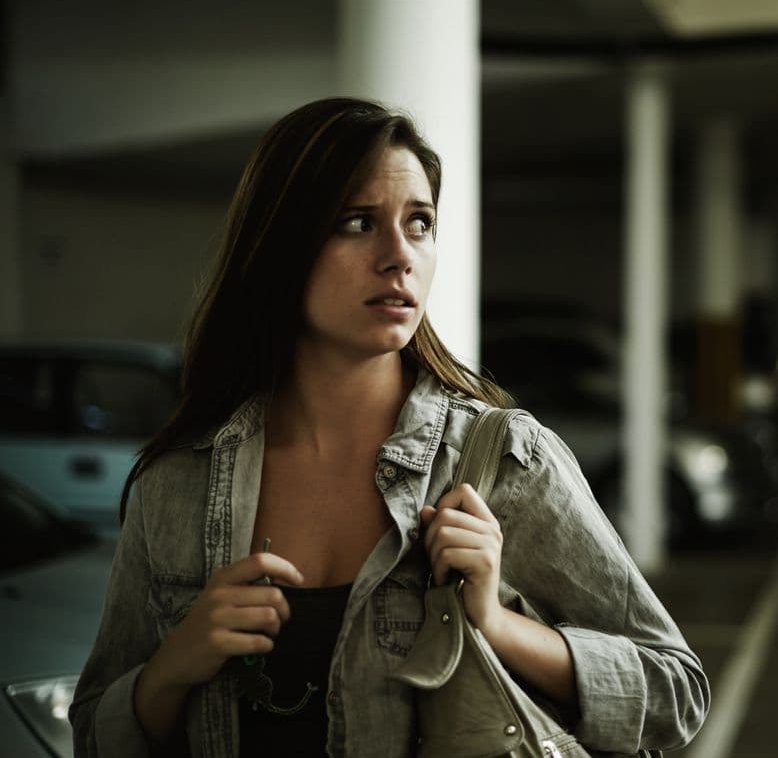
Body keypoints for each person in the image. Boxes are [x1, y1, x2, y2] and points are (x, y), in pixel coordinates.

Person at [70, 97, 709, 757]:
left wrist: (494, 622)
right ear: (280, 244)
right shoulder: (177, 483)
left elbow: (675, 691)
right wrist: (174, 665)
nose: (399, 256)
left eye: (420, 223)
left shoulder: (503, 461)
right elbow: (91, 733)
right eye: (357, 222)